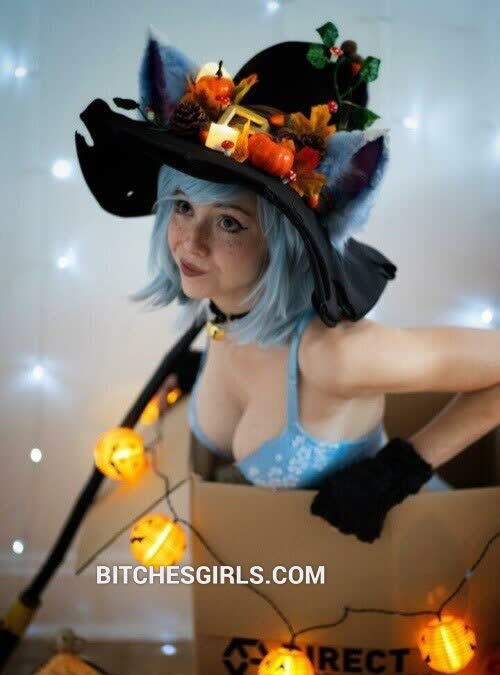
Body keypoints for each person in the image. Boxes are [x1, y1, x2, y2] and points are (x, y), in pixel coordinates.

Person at [75, 25, 500, 542]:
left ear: (284, 240)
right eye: (183, 206)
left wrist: (398, 471)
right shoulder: (225, 311)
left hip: (425, 568)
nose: (191, 244)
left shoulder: (335, 357)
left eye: (229, 222)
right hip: (297, 579)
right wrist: (194, 376)